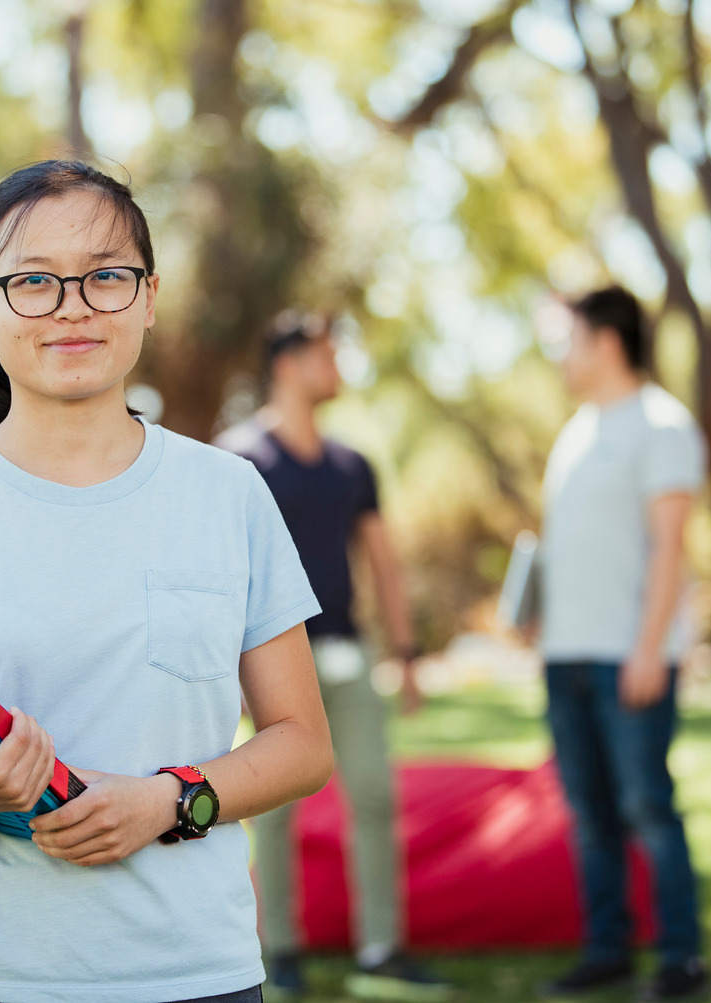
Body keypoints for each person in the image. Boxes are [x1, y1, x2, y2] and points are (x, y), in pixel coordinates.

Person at [0, 160, 334, 1003]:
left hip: (194, 974)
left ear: (150, 297)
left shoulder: (228, 493)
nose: (73, 306)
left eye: (106, 277)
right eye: (34, 282)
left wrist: (169, 800)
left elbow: (303, 741)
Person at [217, 313, 450, 1002]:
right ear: (288, 364)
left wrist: (406, 654)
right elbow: (222, 569)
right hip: (270, 662)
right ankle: (279, 947)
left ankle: (383, 946)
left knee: (375, 795)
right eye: (326, 354)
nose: (338, 365)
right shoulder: (239, 457)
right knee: (277, 806)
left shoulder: (354, 465)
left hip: (349, 653)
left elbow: (385, 565)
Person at [534, 286, 708, 1000]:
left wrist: (649, 649)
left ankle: (681, 956)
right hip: (565, 657)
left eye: (569, 338)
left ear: (605, 341)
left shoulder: (663, 424)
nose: (562, 355)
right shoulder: (574, 431)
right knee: (591, 815)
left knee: (648, 808)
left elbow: (670, 548)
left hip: (629, 658)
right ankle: (608, 947)